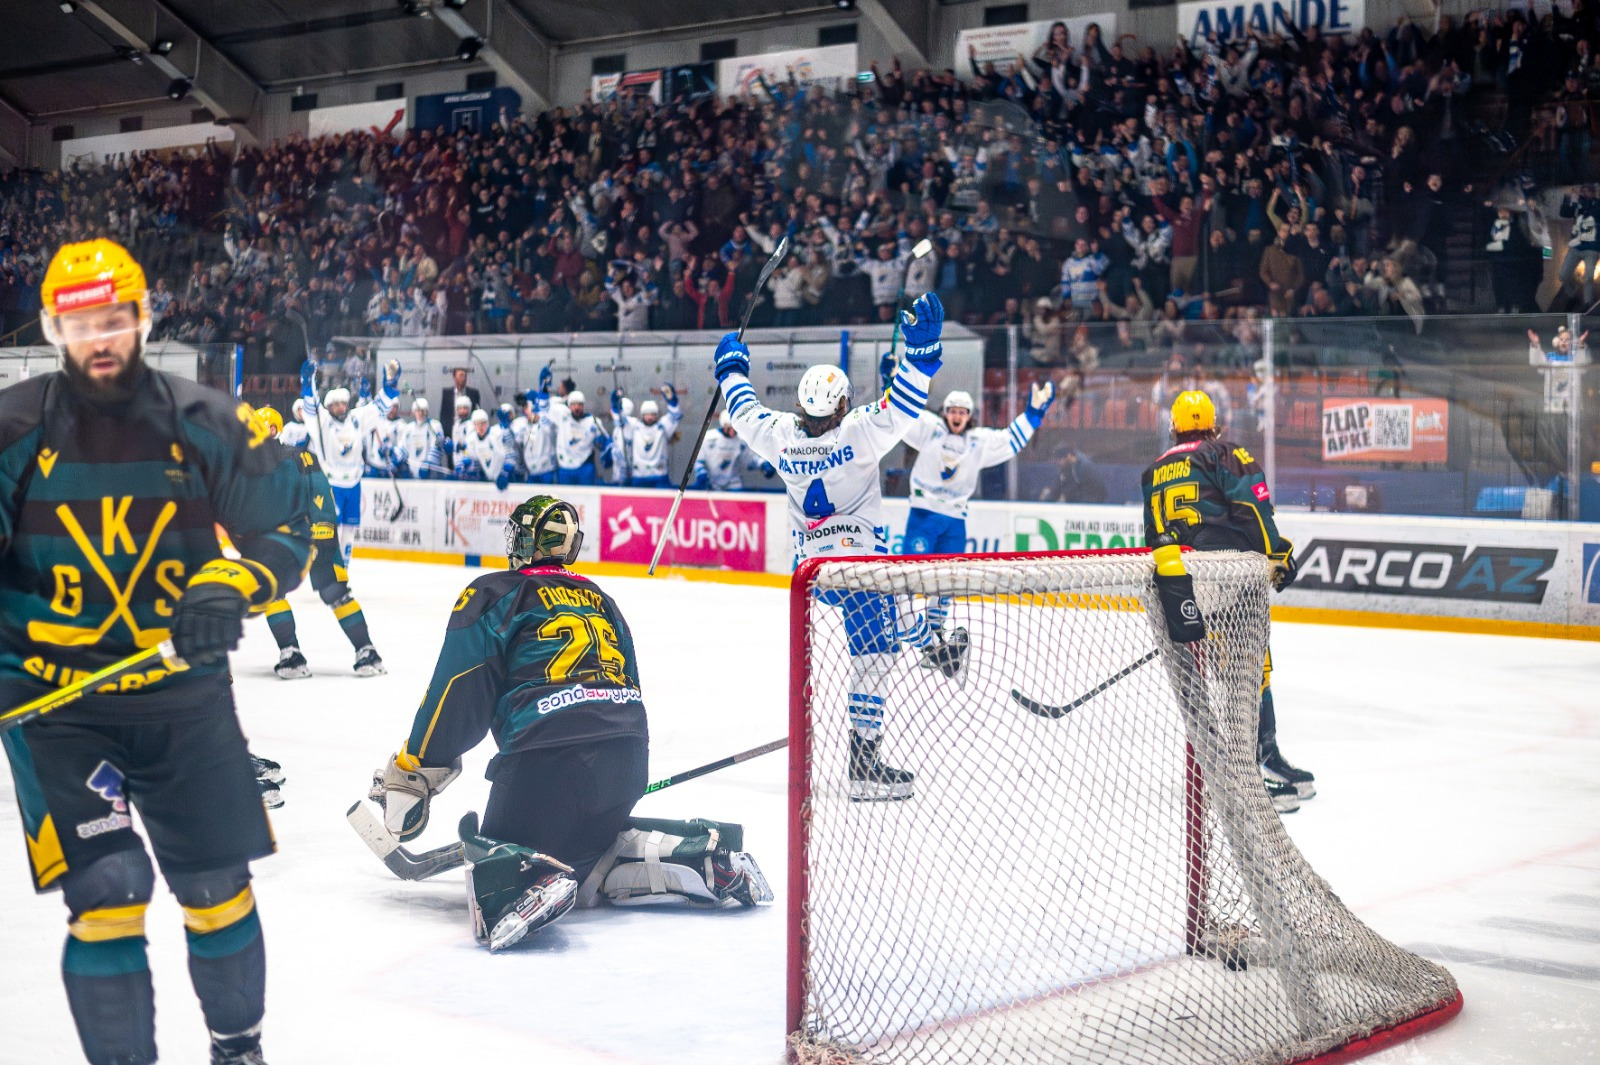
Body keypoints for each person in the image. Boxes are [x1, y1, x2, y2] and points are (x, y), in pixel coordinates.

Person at [0, 239, 313, 1065]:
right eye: (79, 323)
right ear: (51, 327)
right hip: (56, 706)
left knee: (217, 888)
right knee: (107, 891)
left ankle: (236, 1048)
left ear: (144, 316)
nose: (98, 337)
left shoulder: (207, 419)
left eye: (113, 319)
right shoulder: (11, 429)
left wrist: (234, 582)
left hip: (185, 695)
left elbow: (287, 530)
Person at [366, 496, 771, 952]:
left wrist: (416, 766)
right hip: (627, 766)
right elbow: (631, 688)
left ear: (521, 540)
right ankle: (702, 857)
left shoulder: (495, 593)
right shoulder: (605, 601)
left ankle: (530, 878)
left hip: (543, 768)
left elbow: (457, 693)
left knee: (493, 860)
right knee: (599, 854)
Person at [714, 292, 949, 801]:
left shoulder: (778, 434)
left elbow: (743, 408)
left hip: (816, 573)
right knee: (875, 657)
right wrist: (923, 351)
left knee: (888, 632)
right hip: (863, 567)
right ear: (842, 403)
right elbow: (905, 402)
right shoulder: (861, 430)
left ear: (801, 403)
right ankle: (864, 767)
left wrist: (730, 366)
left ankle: (928, 644)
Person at [1139, 391, 1312, 813]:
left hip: (1185, 585)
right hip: (1229, 577)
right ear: (1214, 422)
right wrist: (1277, 553)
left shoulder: (1154, 470)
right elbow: (1253, 507)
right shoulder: (1223, 453)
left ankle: (1263, 759)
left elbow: (1152, 538)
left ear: (1175, 425)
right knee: (1249, 671)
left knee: (1242, 669)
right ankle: (1252, 774)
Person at [898, 383, 1057, 666]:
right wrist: (892, 383)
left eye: (962, 412)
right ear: (945, 413)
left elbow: (1011, 440)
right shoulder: (929, 429)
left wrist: (1033, 413)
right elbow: (900, 415)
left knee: (946, 583)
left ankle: (935, 637)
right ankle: (906, 632)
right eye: (952, 411)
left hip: (955, 521)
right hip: (923, 515)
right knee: (908, 579)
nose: (957, 416)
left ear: (969, 415)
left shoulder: (979, 442)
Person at [255, 406, 385, 680]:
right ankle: (290, 652)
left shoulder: (300, 457)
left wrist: (324, 528)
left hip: (314, 534)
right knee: (273, 592)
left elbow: (319, 489)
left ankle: (367, 650)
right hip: (283, 541)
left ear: (274, 429)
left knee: (335, 592)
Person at [300, 362, 397, 567]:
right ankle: (328, 565)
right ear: (329, 407)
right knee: (330, 528)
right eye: (335, 405)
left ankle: (343, 566)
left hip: (354, 483)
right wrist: (307, 384)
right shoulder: (323, 422)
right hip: (332, 483)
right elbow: (311, 409)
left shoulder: (355, 419)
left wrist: (389, 386)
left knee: (350, 530)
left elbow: (378, 408)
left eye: (343, 403)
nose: (340, 407)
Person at [612, 384, 682, 489]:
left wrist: (671, 400)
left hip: (660, 475)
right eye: (647, 414)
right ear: (642, 415)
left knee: (663, 504)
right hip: (639, 476)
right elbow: (619, 420)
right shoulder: (634, 426)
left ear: (657, 415)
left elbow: (676, 415)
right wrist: (615, 403)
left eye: (653, 414)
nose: (650, 417)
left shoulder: (663, 426)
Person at [693, 411, 768, 491]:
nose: (732, 431)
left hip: (734, 484)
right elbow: (698, 460)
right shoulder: (709, 438)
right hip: (712, 484)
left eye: (734, 428)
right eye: (729, 428)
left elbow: (749, 459)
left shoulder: (740, 440)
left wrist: (762, 464)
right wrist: (701, 474)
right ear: (723, 425)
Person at [549, 390, 608, 485]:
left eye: (579, 404)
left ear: (583, 405)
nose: (576, 407)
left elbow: (606, 443)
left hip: (585, 467)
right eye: (573, 404)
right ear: (569, 406)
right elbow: (546, 407)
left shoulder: (593, 422)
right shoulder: (562, 417)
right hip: (565, 468)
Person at [397, 396, 446, 478]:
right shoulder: (408, 428)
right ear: (413, 412)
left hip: (429, 473)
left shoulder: (434, 426)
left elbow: (438, 447)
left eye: (423, 410)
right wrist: (399, 460)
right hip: (412, 472)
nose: (421, 413)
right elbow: (403, 447)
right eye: (418, 410)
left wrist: (429, 464)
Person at [439, 366, 482, 439]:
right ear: (454, 377)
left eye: (465, 376)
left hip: (470, 431)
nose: (464, 378)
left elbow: (478, 414)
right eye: (461, 375)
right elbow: (443, 415)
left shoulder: (474, 393)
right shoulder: (447, 393)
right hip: (452, 431)